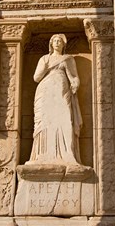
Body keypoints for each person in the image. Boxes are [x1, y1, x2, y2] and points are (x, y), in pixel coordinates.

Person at [26, 34, 83, 165]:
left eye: (59, 41)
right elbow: (36, 77)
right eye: (55, 41)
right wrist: (46, 66)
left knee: (64, 120)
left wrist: (75, 84)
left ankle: (67, 154)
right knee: (44, 121)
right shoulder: (44, 59)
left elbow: (74, 77)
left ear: (63, 44)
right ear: (51, 44)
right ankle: (42, 155)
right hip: (45, 91)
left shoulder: (68, 59)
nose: (57, 43)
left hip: (62, 91)